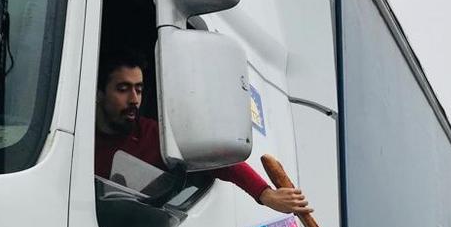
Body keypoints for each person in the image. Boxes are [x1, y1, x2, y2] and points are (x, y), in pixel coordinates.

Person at [95, 52, 310, 214]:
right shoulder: (82, 140)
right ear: (98, 93)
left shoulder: (155, 135)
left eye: (139, 90)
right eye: (123, 89)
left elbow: (220, 159)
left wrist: (266, 194)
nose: (134, 99)